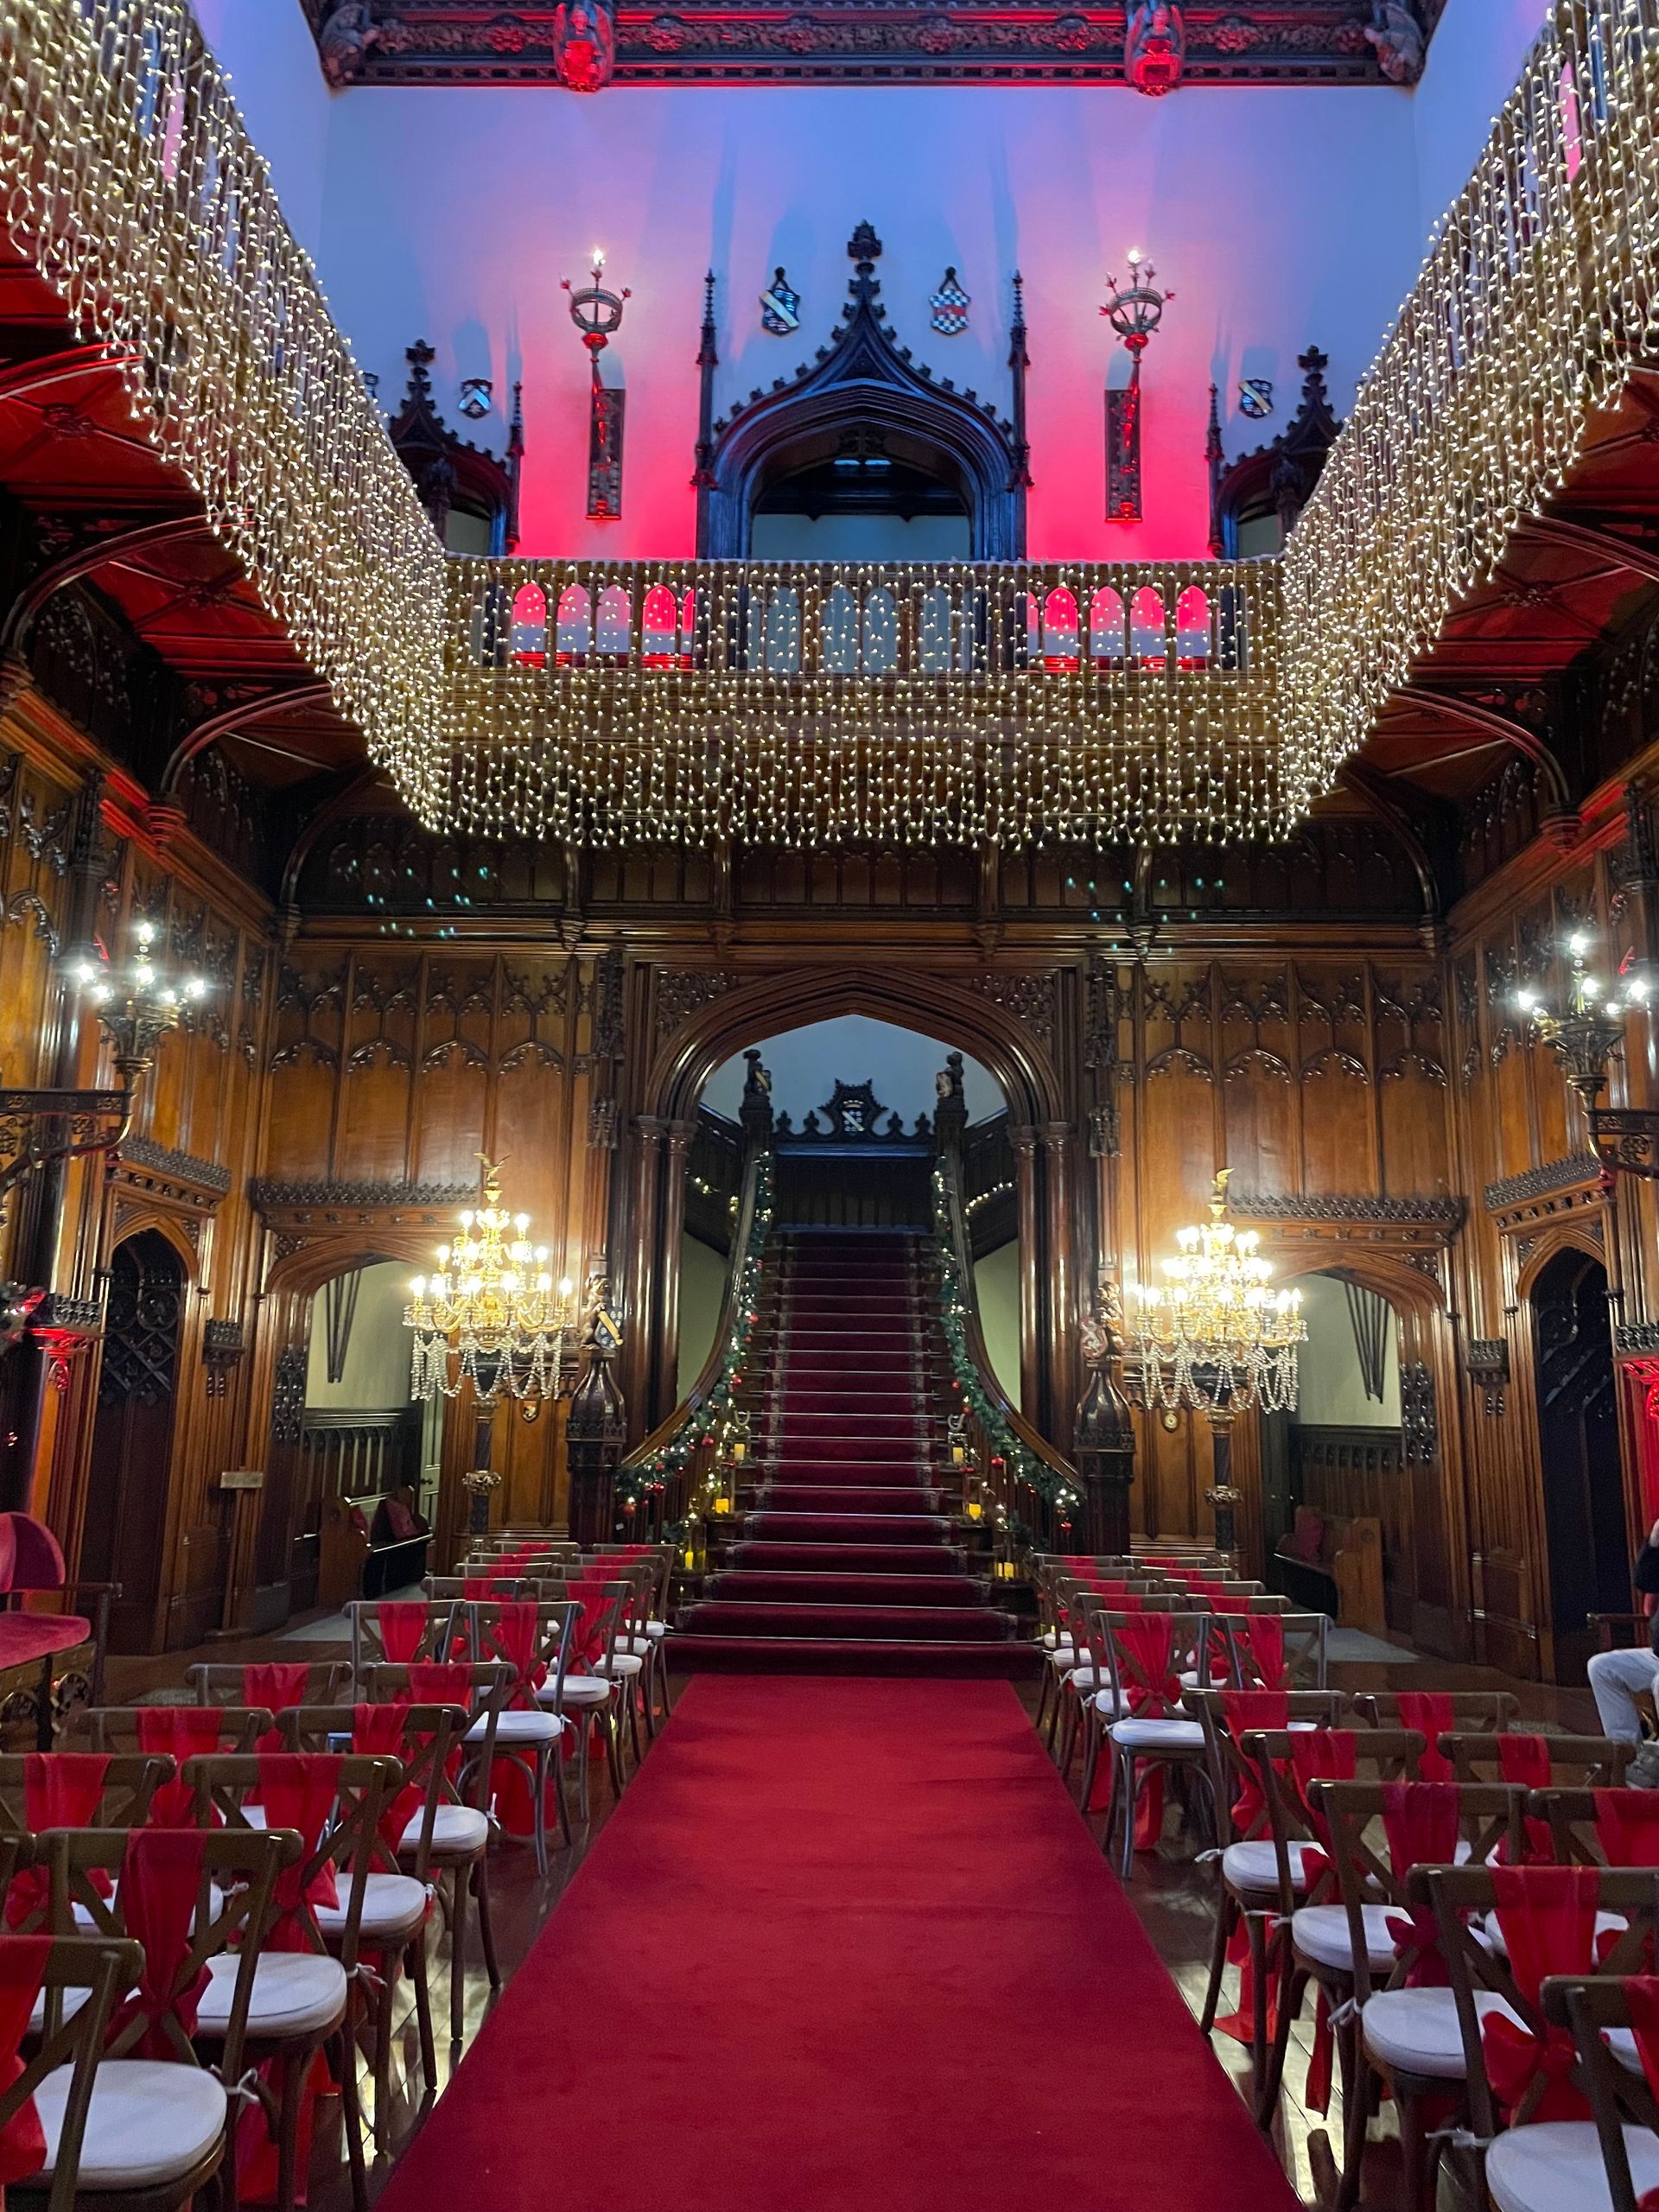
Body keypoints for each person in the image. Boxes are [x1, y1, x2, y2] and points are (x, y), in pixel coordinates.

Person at [1586, 1516, 1659, 1775]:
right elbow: (1645, 1580)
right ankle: (1629, 1757)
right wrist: (1654, 1541)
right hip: (1656, 1655)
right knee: (1601, 1667)